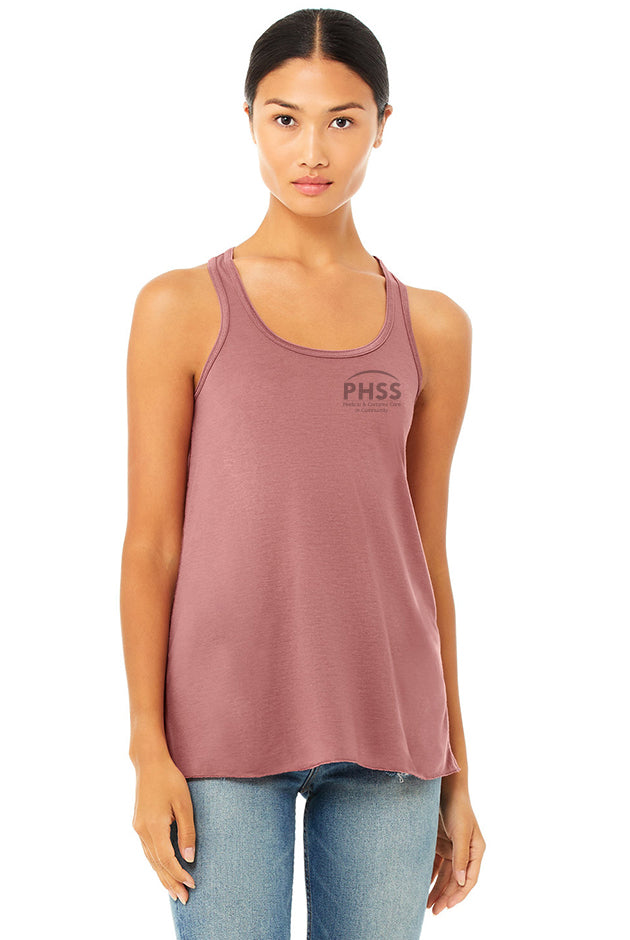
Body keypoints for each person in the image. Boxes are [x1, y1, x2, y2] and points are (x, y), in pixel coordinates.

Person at [120, 8, 486, 939]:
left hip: (391, 733)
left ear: (382, 125)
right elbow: (152, 546)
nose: (311, 151)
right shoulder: (182, 307)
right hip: (219, 734)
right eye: (285, 118)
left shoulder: (434, 327)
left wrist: (458, 768)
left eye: (342, 120)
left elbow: (426, 558)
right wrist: (147, 749)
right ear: (248, 119)